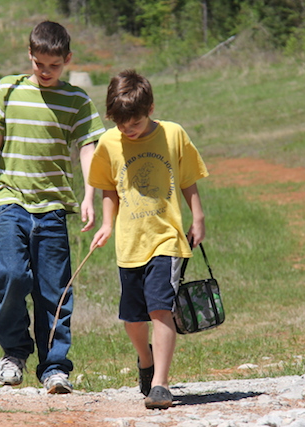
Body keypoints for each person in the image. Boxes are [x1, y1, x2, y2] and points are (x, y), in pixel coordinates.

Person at [0, 21, 105, 394]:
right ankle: (13, 353)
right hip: (11, 201)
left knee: (54, 290)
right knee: (11, 275)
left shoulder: (76, 100)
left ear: (67, 60)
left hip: (53, 206)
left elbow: (88, 148)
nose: (45, 71)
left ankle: (55, 367)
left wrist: (89, 195)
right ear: (30, 56)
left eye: (53, 66)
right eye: (39, 64)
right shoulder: (9, 89)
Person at [88, 69, 208, 409]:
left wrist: (197, 216)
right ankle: (145, 359)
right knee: (132, 319)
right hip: (130, 243)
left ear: (150, 108)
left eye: (135, 123)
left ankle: (161, 385)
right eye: (122, 124)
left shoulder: (173, 135)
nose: (129, 130)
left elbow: (188, 178)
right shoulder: (110, 143)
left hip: (166, 239)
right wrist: (107, 224)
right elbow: (108, 187)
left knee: (160, 309)